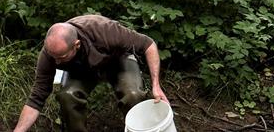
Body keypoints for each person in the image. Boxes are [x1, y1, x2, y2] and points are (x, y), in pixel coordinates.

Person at [12, 14, 170, 132]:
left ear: (76, 45)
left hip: (118, 61)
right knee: (68, 96)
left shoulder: (106, 32)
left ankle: (140, 129)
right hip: (81, 70)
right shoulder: (50, 55)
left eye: (61, 58)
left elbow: (148, 44)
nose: (57, 63)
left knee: (133, 95)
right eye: (54, 58)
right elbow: (37, 97)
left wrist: (156, 86)